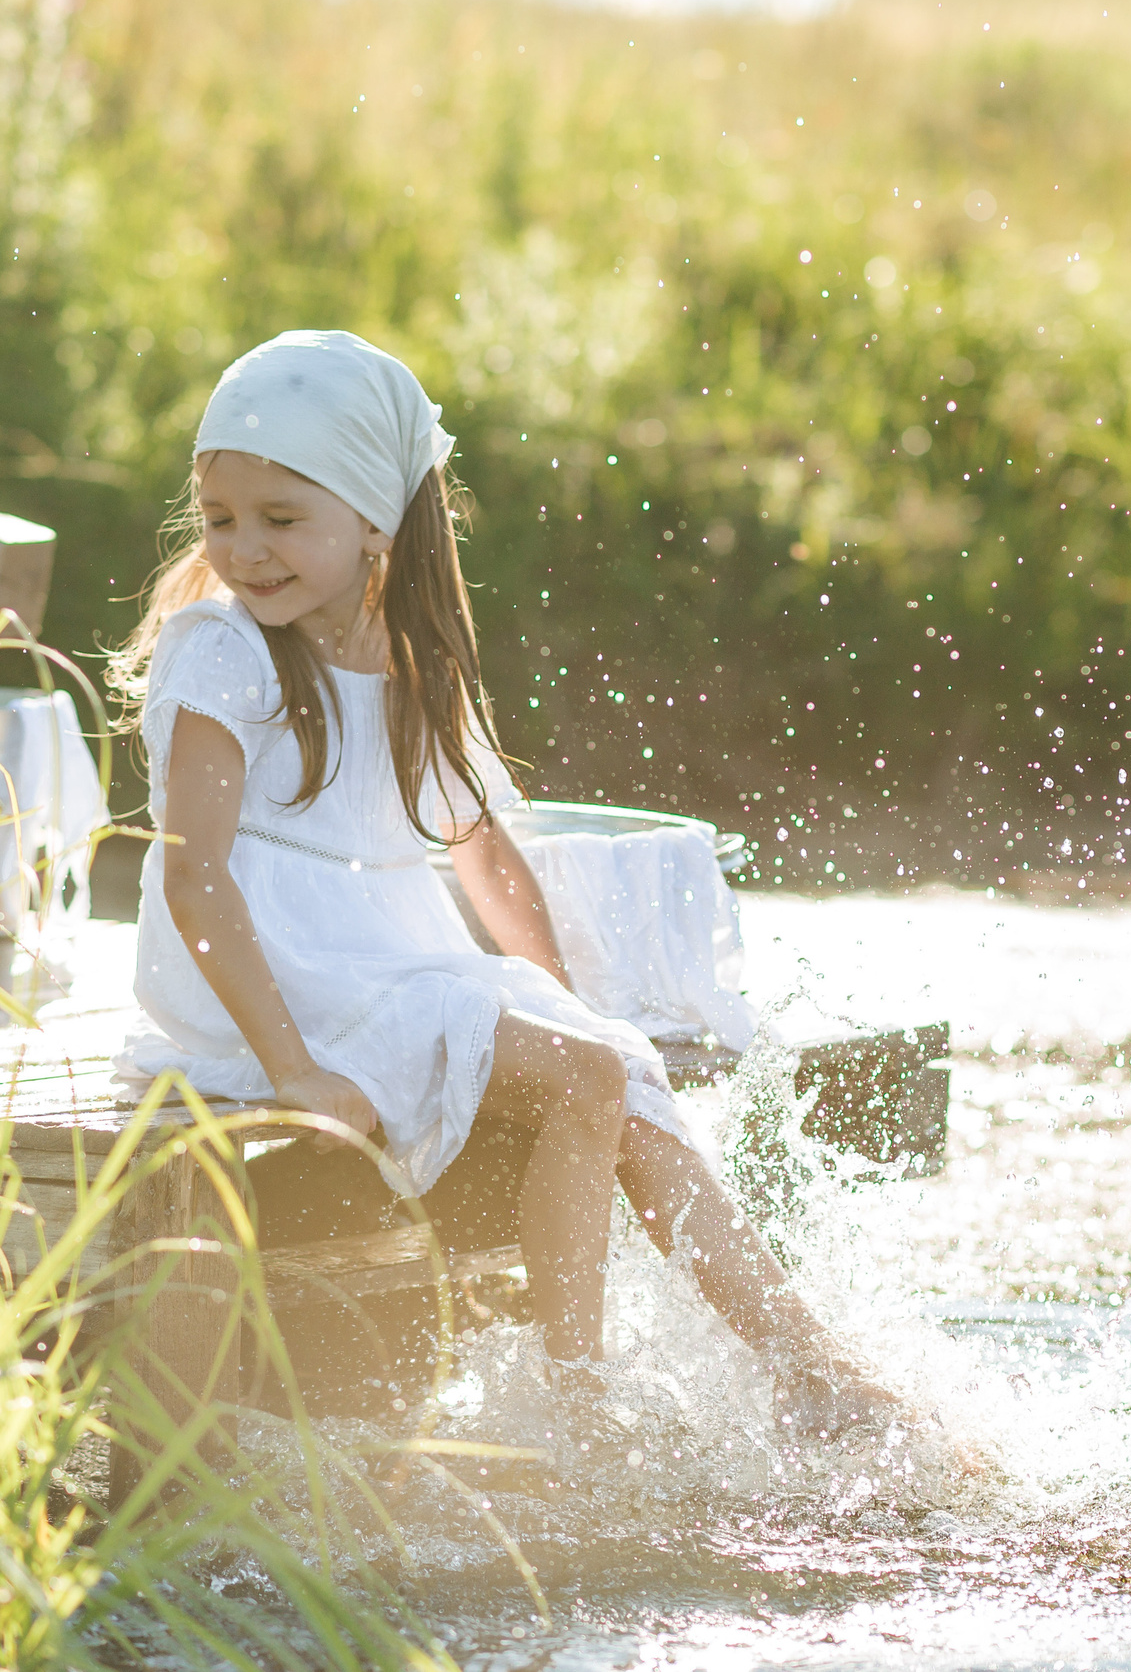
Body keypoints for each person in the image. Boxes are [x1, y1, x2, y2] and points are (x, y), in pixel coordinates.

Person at [111, 329, 886, 1422]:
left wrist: (564, 998)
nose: (246, 549)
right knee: (581, 1078)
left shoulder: (412, 654)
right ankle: (580, 1404)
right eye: (221, 518)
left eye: (283, 519)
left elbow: (481, 850)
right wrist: (292, 1070)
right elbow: (193, 880)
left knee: (619, 1080)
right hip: (269, 986)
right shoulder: (222, 649)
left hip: (386, 957)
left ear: (374, 519)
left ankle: (814, 1370)